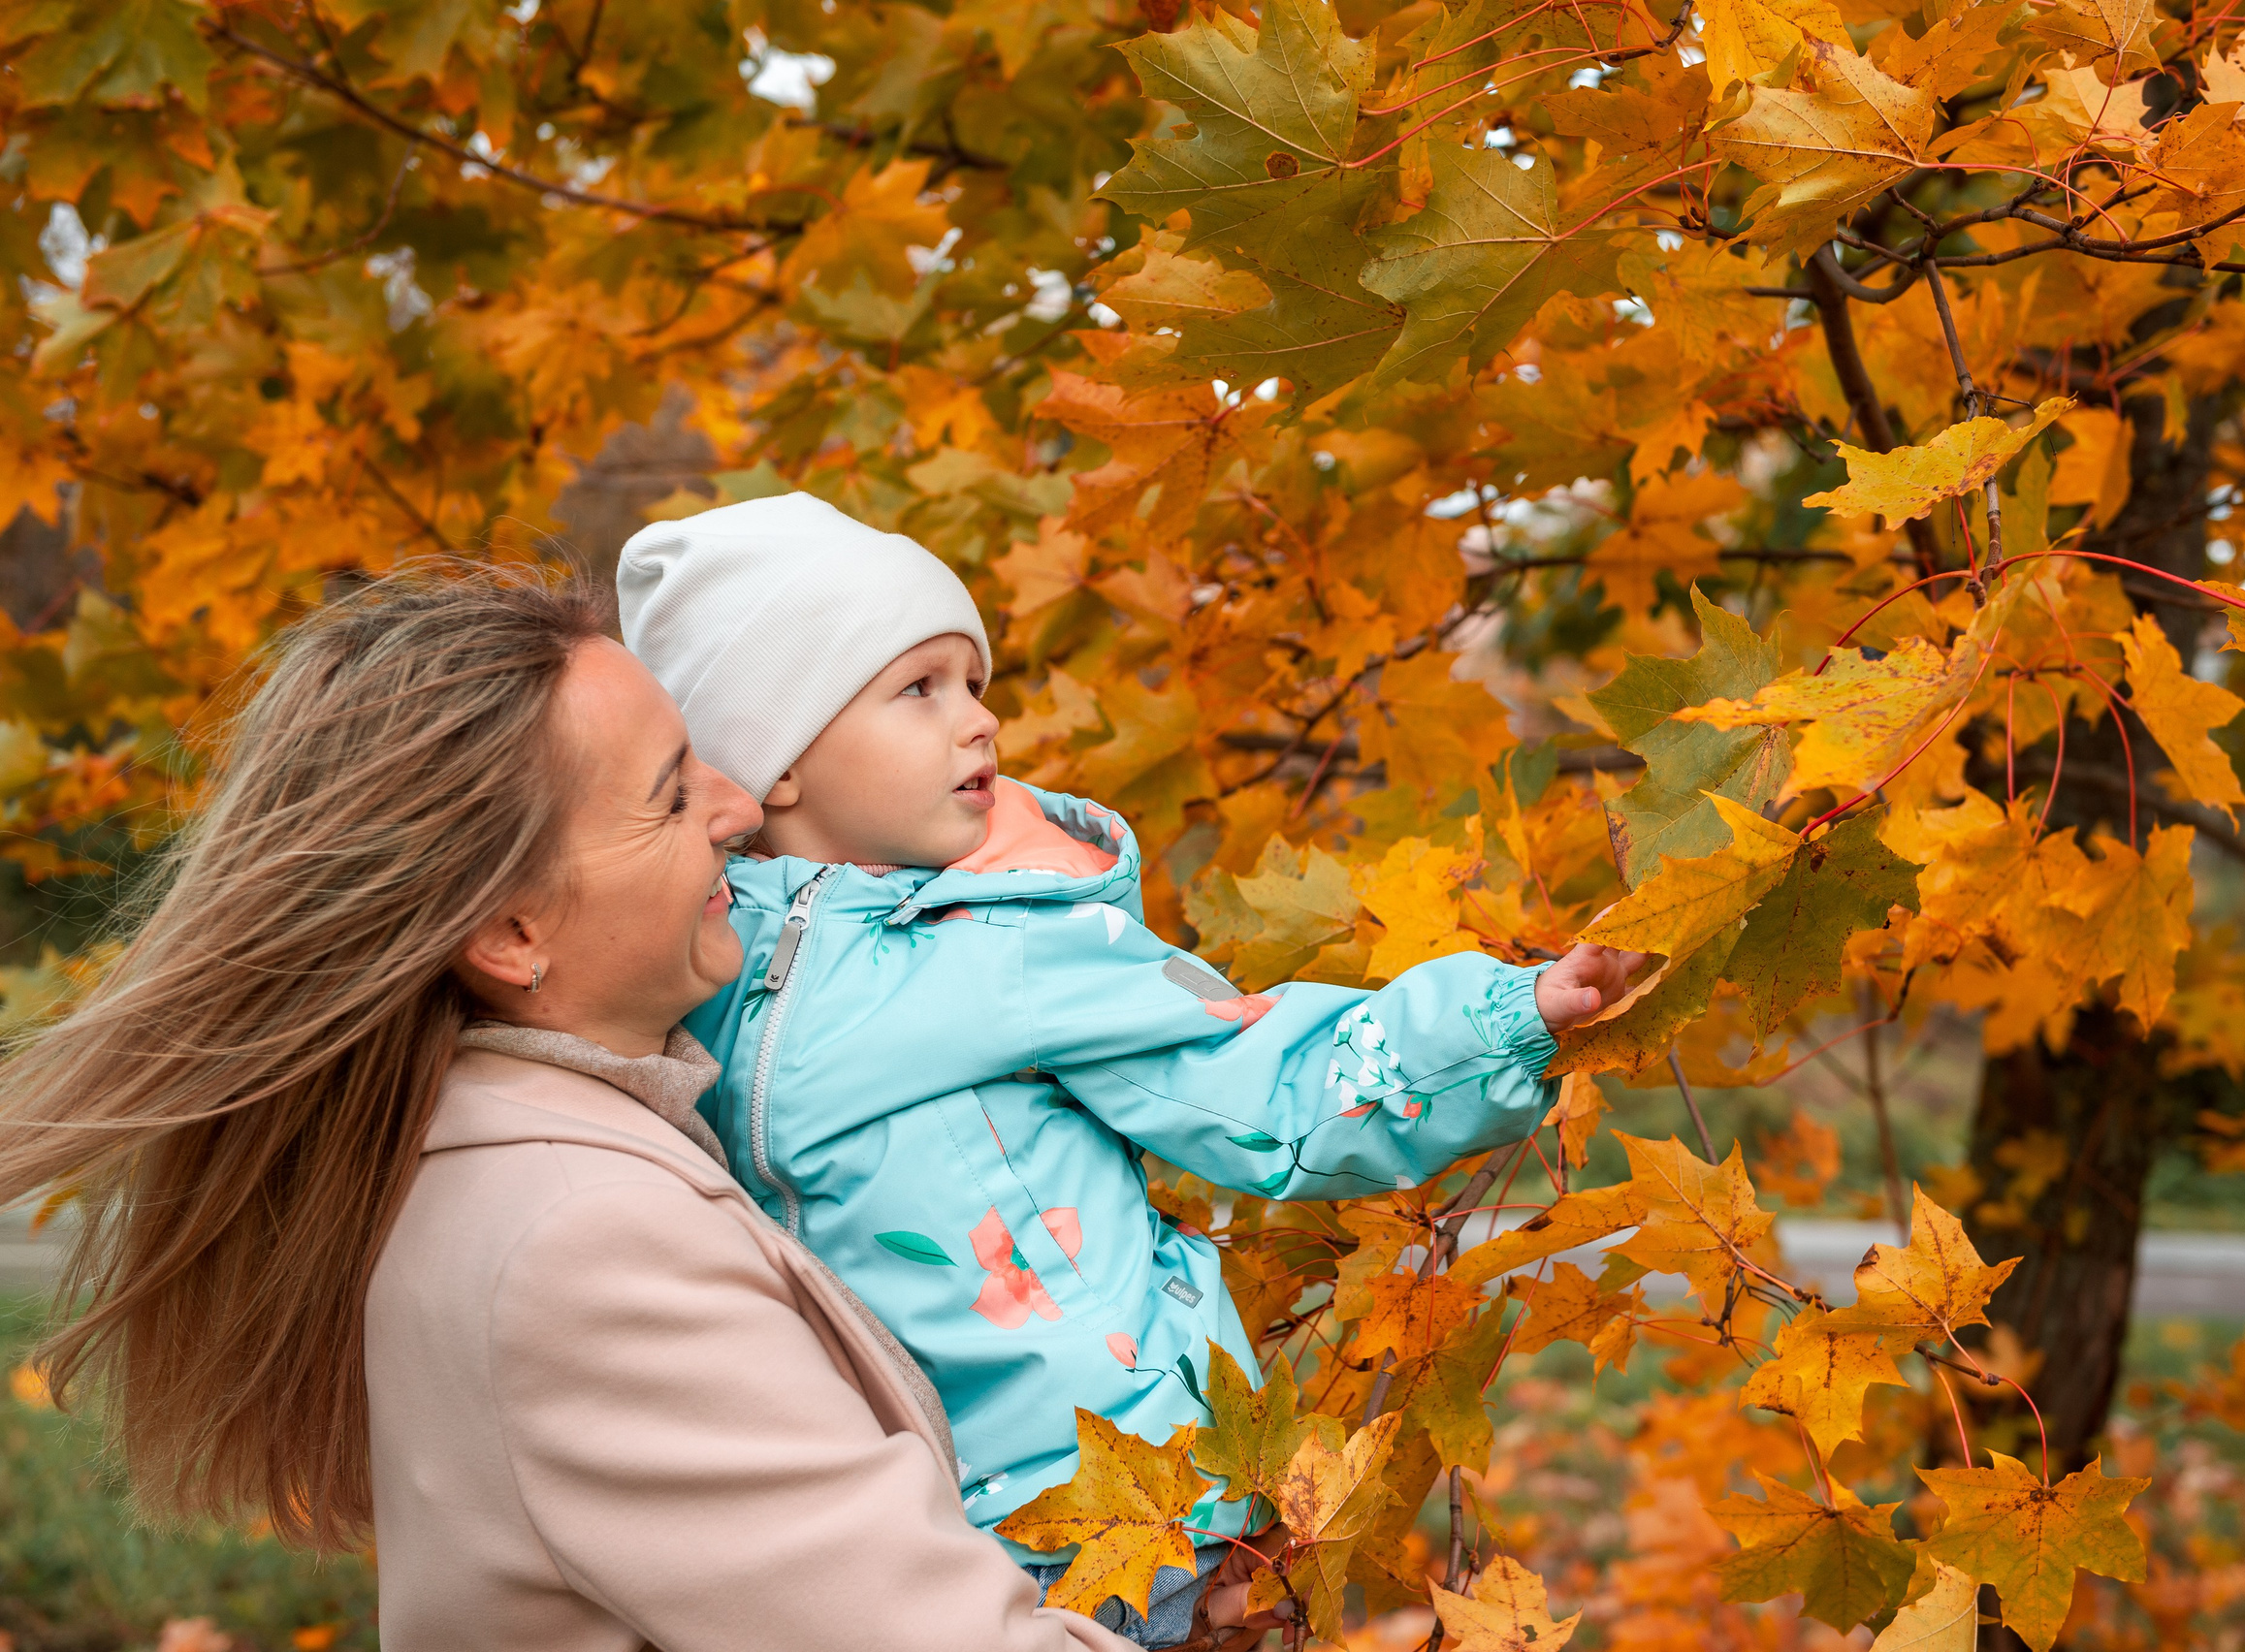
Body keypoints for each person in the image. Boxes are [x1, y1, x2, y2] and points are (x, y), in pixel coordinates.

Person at [0, 568, 1150, 1651]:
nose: (740, 807)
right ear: (511, 932)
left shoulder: (517, 1154)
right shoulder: (585, 1244)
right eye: (671, 793)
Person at [618, 494, 1643, 1646]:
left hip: (1103, 1491)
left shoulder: (1018, 938)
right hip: (877, 1522)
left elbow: (1260, 1074)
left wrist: (1502, 1017)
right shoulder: (684, 944)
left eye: (973, 681)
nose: (979, 722)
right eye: (919, 689)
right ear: (775, 763)